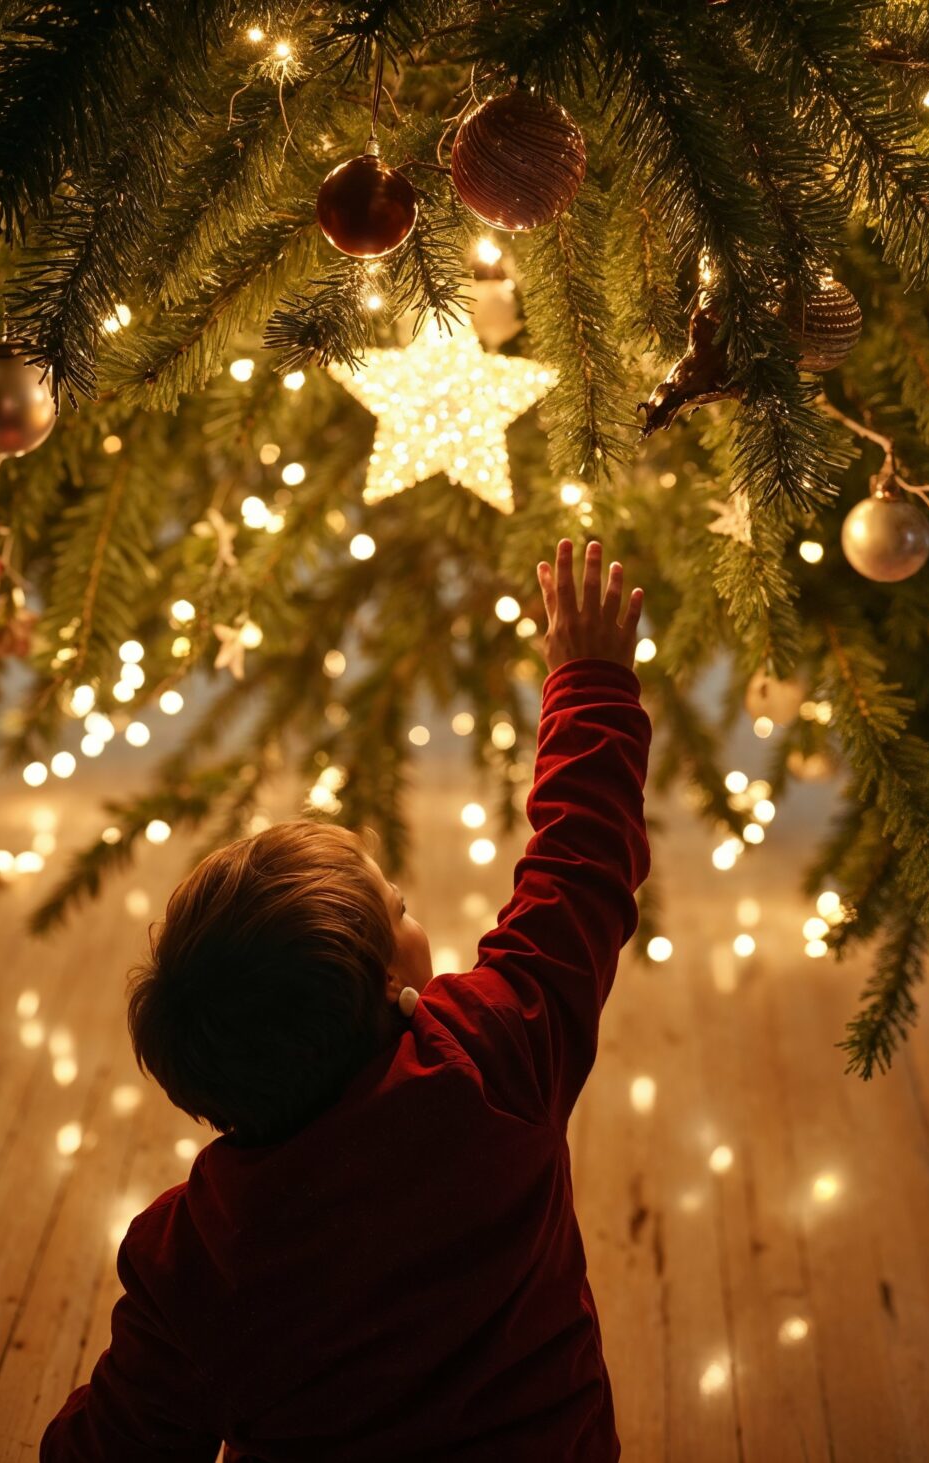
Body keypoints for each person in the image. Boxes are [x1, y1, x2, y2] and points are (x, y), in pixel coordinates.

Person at [43, 539, 651, 1461]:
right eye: (397, 906)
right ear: (393, 991)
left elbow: (119, 1442)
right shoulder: (492, 1053)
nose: (411, 904)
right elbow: (580, 867)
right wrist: (590, 680)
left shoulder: (195, 1251)